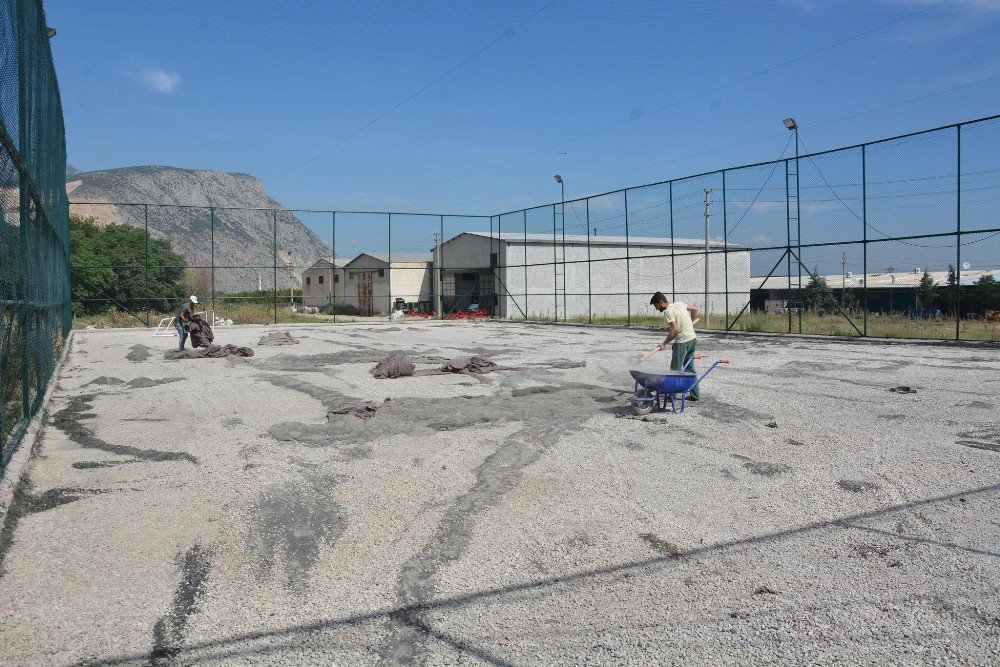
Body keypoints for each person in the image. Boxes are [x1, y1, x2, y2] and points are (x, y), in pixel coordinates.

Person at [650, 291, 700, 401]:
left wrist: (664, 343)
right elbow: (695, 309)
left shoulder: (668, 311)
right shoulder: (679, 304)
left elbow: (675, 330)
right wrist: (690, 323)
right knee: (690, 368)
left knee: (674, 370)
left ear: (661, 302)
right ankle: (696, 395)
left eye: (656, 306)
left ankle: (671, 396)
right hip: (692, 339)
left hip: (682, 342)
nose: (656, 309)